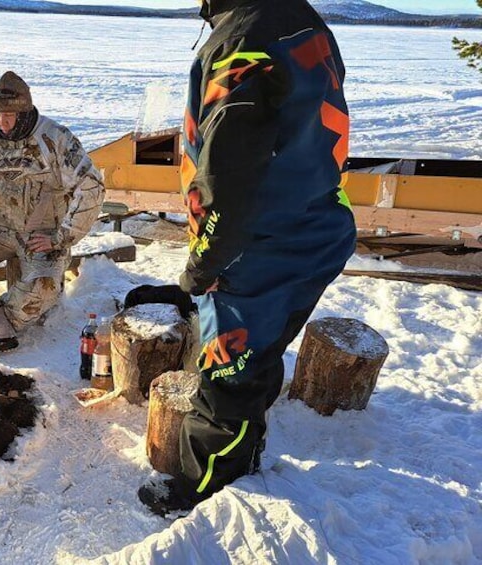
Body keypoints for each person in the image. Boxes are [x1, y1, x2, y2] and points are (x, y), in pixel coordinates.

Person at [138, 0, 357, 516]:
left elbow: (227, 178)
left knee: (227, 377)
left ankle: (206, 491)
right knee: (257, 357)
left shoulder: (244, 44)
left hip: (259, 245)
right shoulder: (297, 17)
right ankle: (246, 452)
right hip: (314, 225)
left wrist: (203, 266)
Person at [0, 71, 104, 353]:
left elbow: (92, 186)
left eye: (9, 116)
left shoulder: (56, 138)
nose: (2, 122)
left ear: (24, 111)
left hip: (43, 237)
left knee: (43, 288)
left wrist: (62, 237)